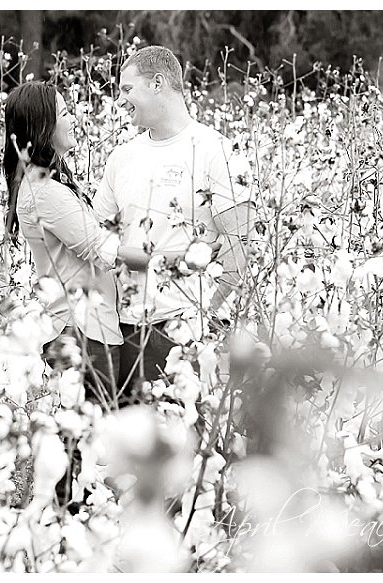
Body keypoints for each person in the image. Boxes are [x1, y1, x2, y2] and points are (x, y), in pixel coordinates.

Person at [93, 46, 256, 397]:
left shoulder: (217, 150)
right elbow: (95, 241)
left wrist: (203, 323)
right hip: (125, 332)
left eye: (126, 89)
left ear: (157, 83)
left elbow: (239, 246)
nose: (120, 101)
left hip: (188, 330)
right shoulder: (121, 157)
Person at [3, 81, 176, 408]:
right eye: (65, 113)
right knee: (87, 446)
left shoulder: (44, 186)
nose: (74, 119)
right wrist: (177, 261)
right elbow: (103, 250)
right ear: (44, 126)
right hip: (83, 335)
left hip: (84, 331)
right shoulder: (46, 193)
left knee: (86, 442)